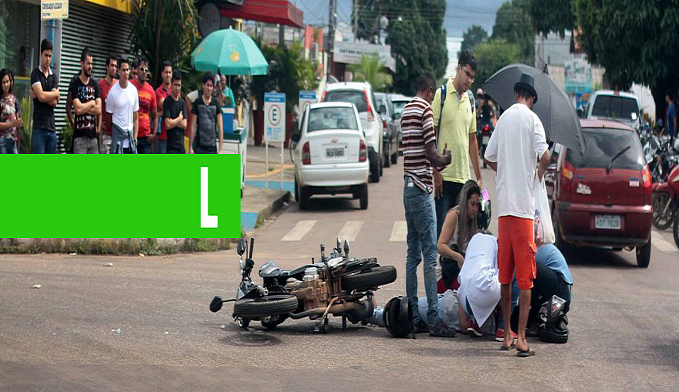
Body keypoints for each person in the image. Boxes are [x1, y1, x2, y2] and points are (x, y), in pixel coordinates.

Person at [484, 73, 550, 357]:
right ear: (532, 98)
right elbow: (545, 155)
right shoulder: (533, 120)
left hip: (504, 212)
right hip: (523, 211)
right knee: (526, 280)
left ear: (515, 94)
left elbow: (489, 156)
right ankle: (522, 338)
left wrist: (504, 176)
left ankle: (507, 335)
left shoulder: (504, 118)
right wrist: (535, 176)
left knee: (505, 279)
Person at [401, 73, 454, 337]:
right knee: (431, 254)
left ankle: (412, 315)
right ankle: (433, 318)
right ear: (431, 91)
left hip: (407, 187)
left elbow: (413, 150)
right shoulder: (425, 110)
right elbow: (432, 154)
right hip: (421, 189)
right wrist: (445, 158)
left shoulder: (406, 109)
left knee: (413, 255)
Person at [432, 50, 483, 238]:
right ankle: (441, 268)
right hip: (444, 179)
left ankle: (457, 268)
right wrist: (436, 172)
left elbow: (472, 139)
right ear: (458, 69)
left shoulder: (470, 100)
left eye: (472, 77)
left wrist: (478, 176)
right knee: (442, 234)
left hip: (463, 180)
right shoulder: (441, 95)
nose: (469, 80)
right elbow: (431, 134)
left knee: (461, 235)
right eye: (467, 74)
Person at [436, 180, 480, 293]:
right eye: (472, 204)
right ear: (465, 202)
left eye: (477, 205)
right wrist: (458, 257)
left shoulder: (473, 221)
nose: (475, 209)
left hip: (461, 273)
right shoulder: (453, 215)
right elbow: (440, 246)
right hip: (445, 273)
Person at [69, 47, 101, 154]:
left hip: (93, 138)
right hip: (79, 138)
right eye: (88, 64)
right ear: (82, 64)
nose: (90, 67)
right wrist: (92, 103)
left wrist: (84, 107)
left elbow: (99, 110)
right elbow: (77, 109)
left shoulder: (95, 84)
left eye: (91, 64)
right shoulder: (75, 83)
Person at [30, 39, 60, 154]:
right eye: (46, 55)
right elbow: (42, 97)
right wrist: (55, 94)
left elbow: (54, 103)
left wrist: (39, 94)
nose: (48, 59)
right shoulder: (35, 73)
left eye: (50, 56)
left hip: (51, 128)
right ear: (41, 55)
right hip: (39, 128)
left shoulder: (54, 76)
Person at [105, 58, 139, 154]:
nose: (126, 73)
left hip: (130, 141)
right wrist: (116, 132)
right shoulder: (112, 92)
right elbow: (108, 118)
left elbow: (136, 118)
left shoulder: (133, 90)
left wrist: (135, 138)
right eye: (123, 70)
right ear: (118, 72)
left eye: (127, 70)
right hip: (118, 141)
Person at [189, 72, 223, 154]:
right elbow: (193, 125)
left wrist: (221, 149)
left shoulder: (216, 103)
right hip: (199, 146)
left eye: (211, 86)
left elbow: (220, 126)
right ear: (203, 86)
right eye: (207, 85)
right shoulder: (198, 102)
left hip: (212, 147)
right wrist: (190, 147)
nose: (209, 88)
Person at [130, 57, 157, 154]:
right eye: (141, 69)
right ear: (137, 70)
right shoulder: (129, 86)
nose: (144, 72)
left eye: (146, 70)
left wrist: (154, 134)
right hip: (131, 134)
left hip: (146, 137)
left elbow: (154, 116)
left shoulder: (151, 91)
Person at [163, 71, 187, 154]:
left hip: (181, 147)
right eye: (175, 85)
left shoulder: (182, 102)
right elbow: (167, 125)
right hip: (171, 148)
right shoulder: (167, 101)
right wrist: (179, 118)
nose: (177, 88)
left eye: (179, 85)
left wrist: (173, 121)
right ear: (171, 85)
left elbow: (184, 124)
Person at [98, 55, 118, 154]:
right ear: (107, 67)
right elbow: (96, 105)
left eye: (115, 66)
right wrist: (99, 122)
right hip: (105, 132)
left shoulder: (119, 85)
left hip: (118, 131)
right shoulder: (100, 84)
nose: (114, 68)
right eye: (111, 65)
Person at [0, 68, 22, 154]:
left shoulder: (15, 100)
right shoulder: (0, 100)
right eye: (3, 82)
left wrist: (19, 146)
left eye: (7, 81)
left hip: (13, 142)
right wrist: (11, 124)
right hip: (2, 141)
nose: (6, 85)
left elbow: (18, 125)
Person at [155, 61, 173, 154]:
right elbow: (164, 105)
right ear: (162, 74)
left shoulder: (175, 90)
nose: (168, 75)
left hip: (174, 137)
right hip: (162, 136)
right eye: (166, 72)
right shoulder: (158, 91)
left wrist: (163, 113)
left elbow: (179, 108)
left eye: (170, 72)